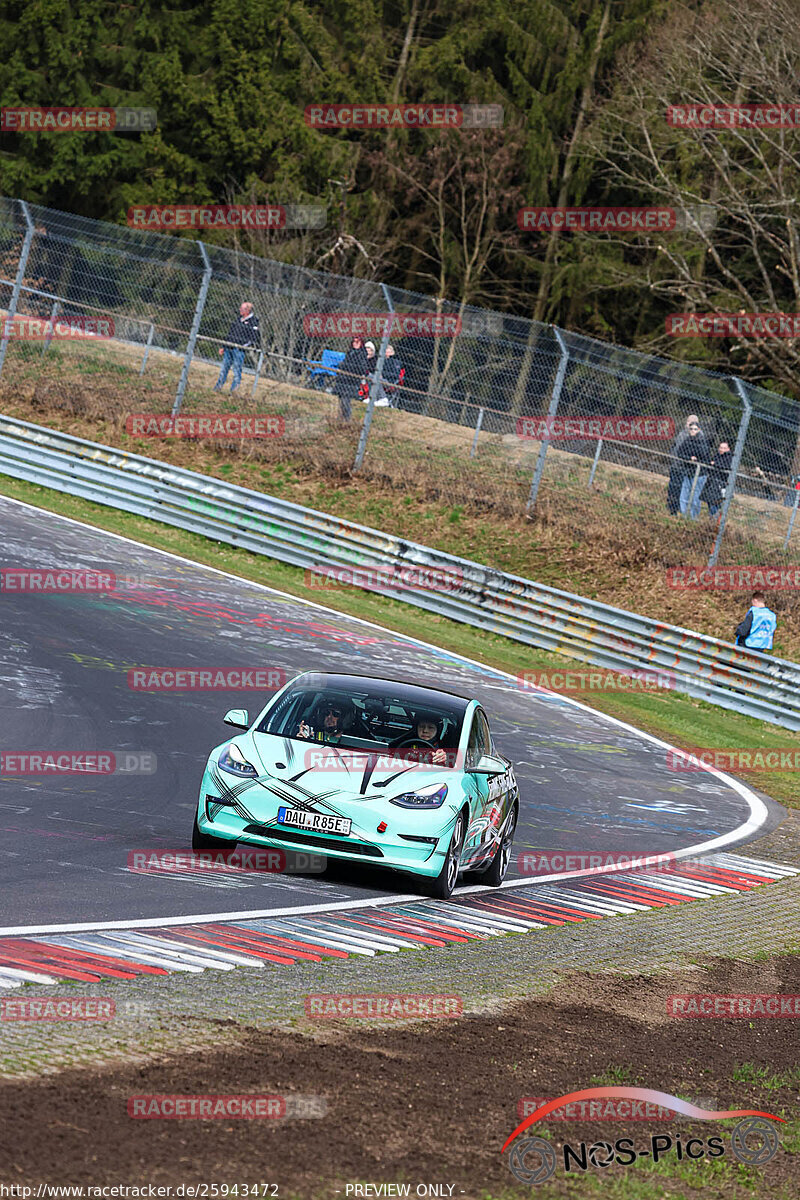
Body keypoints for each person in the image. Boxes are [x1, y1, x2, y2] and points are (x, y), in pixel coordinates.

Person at [213, 301, 260, 393]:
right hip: (229, 347)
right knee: (224, 369)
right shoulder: (238, 319)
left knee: (236, 370)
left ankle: (233, 391)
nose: (239, 310)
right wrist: (224, 346)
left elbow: (253, 338)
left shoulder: (253, 322)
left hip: (239, 350)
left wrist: (242, 346)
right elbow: (230, 333)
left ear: (248, 310)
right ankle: (218, 387)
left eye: (242, 309)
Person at [673, 414, 712, 519]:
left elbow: (704, 456)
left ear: (699, 429)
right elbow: (680, 452)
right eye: (691, 429)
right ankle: (684, 513)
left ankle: (694, 517)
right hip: (688, 470)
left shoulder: (702, 441)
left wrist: (694, 458)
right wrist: (689, 457)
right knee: (684, 493)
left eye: (695, 429)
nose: (692, 431)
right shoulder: (687, 440)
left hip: (699, 474)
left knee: (695, 496)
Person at [332, 336, 368, 421]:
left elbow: (361, 368)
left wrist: (346, 366)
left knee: (346, 400)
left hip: (351, 380)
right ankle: (341, 417)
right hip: (343, 379)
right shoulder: (350, 352)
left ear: (361, 343)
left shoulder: (362, 354)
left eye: (357, 342)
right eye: (354, 341)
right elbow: (344, 364)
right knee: (341, 399)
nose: (355, 343)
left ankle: (347, 419)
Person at [704, 441, 733, 517]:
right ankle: (713, 515)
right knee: (709, 499)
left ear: (728, 449)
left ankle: (714, 515)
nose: (721, 449)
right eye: (720, 447)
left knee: (717, 500)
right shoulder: (716, 455)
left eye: (724, 448)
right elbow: (710, 463)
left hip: (722, 482)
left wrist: (715, 464)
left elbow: (725, 466)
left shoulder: (730, 457)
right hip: (712, 480)